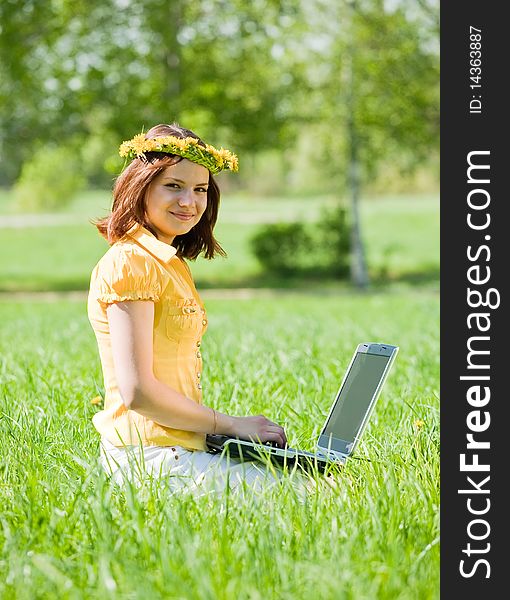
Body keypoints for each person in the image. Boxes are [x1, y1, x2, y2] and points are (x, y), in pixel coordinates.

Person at [87, 123, 295, 496]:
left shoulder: (168, 262)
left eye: (200, 189)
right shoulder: (130, 263)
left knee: (319, 479)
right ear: (141, 186)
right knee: (308, 492)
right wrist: (229, 425)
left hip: (179, 449)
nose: (189, 202)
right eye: (173, 186)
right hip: (145, 460)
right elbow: (138, 392)